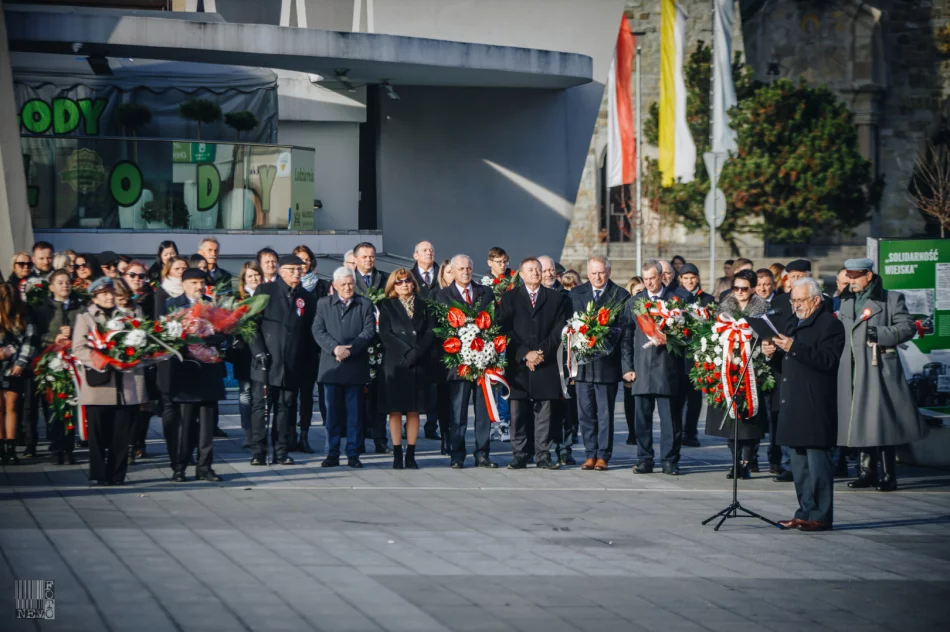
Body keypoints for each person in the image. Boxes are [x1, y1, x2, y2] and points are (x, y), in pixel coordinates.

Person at [837, 258, 928, 492]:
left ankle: (889, 474)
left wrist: (880, 333)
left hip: (878, 368)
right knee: (858, 419)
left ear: (869, 275)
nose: (852, 280)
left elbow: (908, 327)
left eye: (856, 276)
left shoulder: (891, 298)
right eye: (850, 275)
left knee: (882, 420)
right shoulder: (845, 299)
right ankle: (866, 472)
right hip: (853, 367)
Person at [763, 277, 845, 532]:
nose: (796, 305)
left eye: (801, 300)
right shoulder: (791, 322)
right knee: (799, 465)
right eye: (793, 300)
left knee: (817, 464)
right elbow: (785, 364)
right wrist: (771, 356)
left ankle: (821, 516)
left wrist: (794, 347)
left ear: (816, 300)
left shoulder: (830, 324)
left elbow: (829, 361)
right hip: (792, 401)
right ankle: (804, 511)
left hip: (815, 403)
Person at [71, 277, 146, 485]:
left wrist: (131, 354)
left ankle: (117, 474)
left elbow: (138, 342)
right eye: (103, 293)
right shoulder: (85, 318)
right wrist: (103, 359)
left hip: (124, 384)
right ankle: (99, 473)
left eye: (111, 293)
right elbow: (78, 348)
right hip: (99, 383)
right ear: (94, 296)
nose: (108, 297)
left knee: (121, 433)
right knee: (98, 433)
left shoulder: (126, 317)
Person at [497, 257, 570, 470]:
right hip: (519, 364)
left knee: (545, 412)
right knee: (518, 412)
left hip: (545, 363)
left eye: (538, 269)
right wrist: (524, 354)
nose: (536, 273)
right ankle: (520, 454)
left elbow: (559, 330)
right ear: (521, 274)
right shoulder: (510, 298)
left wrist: (540, 353)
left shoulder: (555, 298)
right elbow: (504, 328)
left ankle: (543, 455)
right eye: (530, 270)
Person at [157, 268, 229, 482]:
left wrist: (220, 340)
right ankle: (179, 467)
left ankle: (204, 466)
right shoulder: (172, 305)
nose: (199, 287)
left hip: (209, 372)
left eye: (202, 282)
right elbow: (164, 336)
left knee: (207, 426)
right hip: (185, 373)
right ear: (184, 284)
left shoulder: (214, 304)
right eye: (195, 282)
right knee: (185, 424)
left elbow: (230, 332)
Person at [249, 255, 317, 466]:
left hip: (292, 364)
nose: (297, 273)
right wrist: (258, 351)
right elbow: (251, 326)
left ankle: (281, 451)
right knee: (261, 408)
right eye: (292, 269)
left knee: (285, 408)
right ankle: (258, 452)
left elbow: (309, 333)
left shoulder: (307, 297)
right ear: (281, 271)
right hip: (266, 361)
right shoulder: (265, 291)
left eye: (300, 270)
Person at [703, 270, 769, 479]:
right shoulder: (724, 308)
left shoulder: (762, 309)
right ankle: (734, 463)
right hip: (727, 370)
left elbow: (766, 337)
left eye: (744, 288)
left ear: (752, 289)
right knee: (731, 423)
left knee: (749, 423)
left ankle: (746, 463)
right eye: (736, 288)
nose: (740, 292)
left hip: (751, 371)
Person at [624, 259, 687, 475]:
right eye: (646, 279)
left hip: (667, 368)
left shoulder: (675, 299)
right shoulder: (635, 302)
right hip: (641, 368)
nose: (649, 283)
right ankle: (645, 459)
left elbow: (686, 334)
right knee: (641, 418)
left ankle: (669, 460)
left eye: (653, 278)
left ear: (661, 276)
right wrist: (627, 366)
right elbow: (627, 337)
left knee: (670, 419)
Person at [435, 255, 497, 468]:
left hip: (482, 364)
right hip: (458, 364)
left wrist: (486, 351)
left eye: (469, 268)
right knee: (458, 412)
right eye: (461, 268)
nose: (465, 272)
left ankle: (482, 454)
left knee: (483, 412)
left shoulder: (485, 293)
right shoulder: (442, 296)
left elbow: (493, 324)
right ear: (452, 270)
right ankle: (457, 455)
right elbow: (442, 331)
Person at [313, 267, 375, 468]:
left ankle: (353, 453)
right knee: (332, 415)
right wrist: (335, 349)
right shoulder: (323, 304)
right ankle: (332, 453)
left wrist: (350, 349)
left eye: (350, 284)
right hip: (331, 368)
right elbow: (317, 330)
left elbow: (368, 331)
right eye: (344, 284)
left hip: (355, 367)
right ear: (335, 286)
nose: (348, 287)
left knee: (355, 415)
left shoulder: (364, 304)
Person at [572, 255, 629, 471]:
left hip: (607, 365)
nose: (597, 277)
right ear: (588, 273)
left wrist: (626, 368)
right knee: (585, 412)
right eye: (593, 273)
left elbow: (624, 333)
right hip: (583, 365)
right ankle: (589, 453)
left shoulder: (620, 295)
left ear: (609, 272)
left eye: (601, 272)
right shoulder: (576, 293)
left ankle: (603, 455)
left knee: (605, 414)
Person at [377, 268, 435, 469]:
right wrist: (405, 351)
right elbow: (385, 333)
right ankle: (396, 454)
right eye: (399, 282)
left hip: (417, 362)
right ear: (393, 285)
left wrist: (417, 351)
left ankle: (410, 453)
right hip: (396, 363)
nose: (404, 285)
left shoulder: (424, 305)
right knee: (394, 411)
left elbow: (430, 331)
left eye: (407, 281)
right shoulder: (386, 305)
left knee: (413, 411)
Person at [32, 269, 83, 464]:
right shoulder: (42, 309)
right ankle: (55, 446)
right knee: (53, 406)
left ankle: (68, 448)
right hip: (51, 363)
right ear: (51, 287)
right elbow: (37, 336)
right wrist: (53, 339)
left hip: (72, 363)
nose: (65, 285)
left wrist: (73, 335)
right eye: (60, 282)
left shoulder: (80, 309)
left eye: (68, 282)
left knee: (70, 405)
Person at [291, 245, 329, 452]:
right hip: (296, 346)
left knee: (309, 394)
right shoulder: (290, 288)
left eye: (306, 260)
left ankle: (304, 434)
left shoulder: (322, 286)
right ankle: (290, 434)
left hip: (316, 348)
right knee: (291, 394)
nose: (302, 264)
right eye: (298, 260)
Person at [677, 263, 714, 448]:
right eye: (686, 278)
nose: (690, 281)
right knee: (679, 397)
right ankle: (679, 431)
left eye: (692, 278)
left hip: (698, 355)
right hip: (679, 354)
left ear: (698, 278)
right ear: (680, 280)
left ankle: (691, 432)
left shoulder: (707, 299)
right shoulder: (675, 298)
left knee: (694, 398)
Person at [122, 261, 157, 461]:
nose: (137, 279)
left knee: (144, 403)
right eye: (133, 275)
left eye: (141, 276)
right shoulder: (117, 297)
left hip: (145, 359)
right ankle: (127, 442)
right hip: (122, 359)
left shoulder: (151, 299)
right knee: (127, 404)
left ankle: (138, 441)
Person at [541, 255, 573, 464]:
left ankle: (565, 449)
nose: (549, 274)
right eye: (544, 271)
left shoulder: (567, 296)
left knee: (566, 408)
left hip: (563, 358)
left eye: (552, 270)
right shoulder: (535, 295)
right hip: (543, 359)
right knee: (546, 409)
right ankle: (545, 448)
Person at [0, 283, 35, 465]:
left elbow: (29, 341)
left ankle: (11, 447)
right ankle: (1, 447)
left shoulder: (22, 317)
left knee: (12, 405)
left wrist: (21, 362)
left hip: (14, 366)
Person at [232, 262, 263, 448]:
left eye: (256, 275)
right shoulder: (237, 300)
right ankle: (248, 432)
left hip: (262, 354)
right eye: (250, 276)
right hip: (244, 353)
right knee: (246, 394)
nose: (254, 279)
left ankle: (261, 430)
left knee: (260, 395)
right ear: (244, 280)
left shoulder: (267, 296)